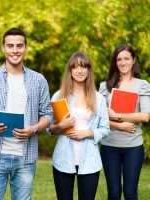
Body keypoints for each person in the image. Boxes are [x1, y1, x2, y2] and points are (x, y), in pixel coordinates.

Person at [0, 28, 53, 200]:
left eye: (19, 46)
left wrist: (33, 129)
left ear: (26, 48)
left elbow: (48, 114)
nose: (15, 50)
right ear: (3, 48)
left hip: (25, 156)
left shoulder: (38, 80)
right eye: (10, 46)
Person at [47, 52, 110, 200]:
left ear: (89, 70)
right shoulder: (58, 96)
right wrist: (61, 125)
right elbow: (49, 129)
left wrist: (87, 133)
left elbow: (105, 129)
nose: (79, 71)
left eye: (83, 67)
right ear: (70, 71)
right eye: (75, 67)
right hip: (63, 160)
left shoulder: (98, 99)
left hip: (90, 162)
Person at [99, 44, 150, 200]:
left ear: (133, 60)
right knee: (113, 193)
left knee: (130, 193)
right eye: (119, 59)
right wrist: (120, 125)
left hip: (133, 146)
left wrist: (118, 116)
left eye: (126, 58)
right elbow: (98, 117)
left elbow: (145, 116)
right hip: (109, 146)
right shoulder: (105, 86)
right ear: (115, 62)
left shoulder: (142, 85)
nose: (123, 63)